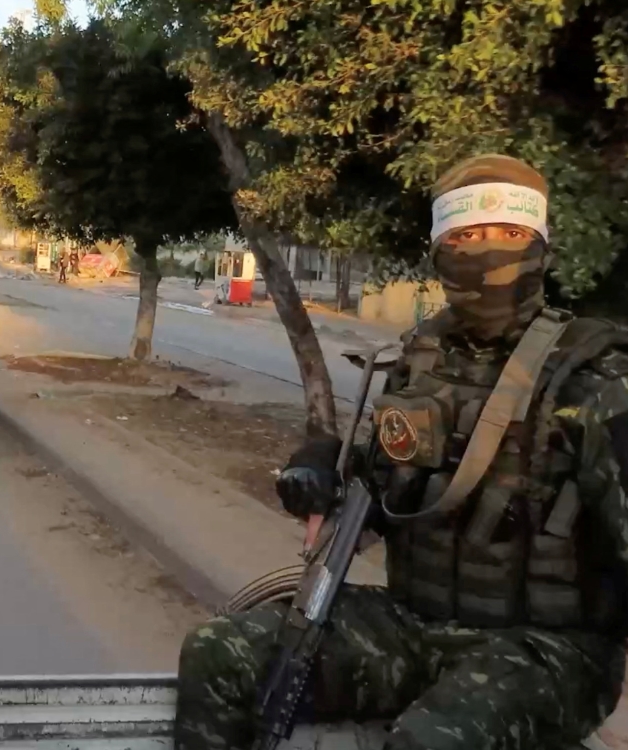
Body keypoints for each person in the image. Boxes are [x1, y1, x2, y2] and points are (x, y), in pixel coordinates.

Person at [173, 154, 628, 750]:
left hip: (550, 650)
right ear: (440, 249)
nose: (487, 251)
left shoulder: (595, 375)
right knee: (219, 653)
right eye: (467, 235)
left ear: (541, 246)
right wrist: (319, 466)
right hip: (414, 626)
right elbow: (380, 484)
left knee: (430, 740)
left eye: (510, 234)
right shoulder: (420, 359)